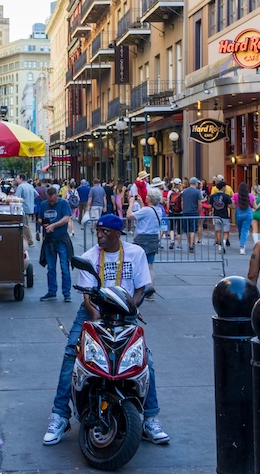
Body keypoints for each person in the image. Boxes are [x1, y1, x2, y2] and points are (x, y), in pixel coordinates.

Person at [43, 213, 168, 446]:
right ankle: (60, 414)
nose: (99, 235)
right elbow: (88, 296)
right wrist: (97, 318)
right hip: (93, 312)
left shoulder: (135, 253)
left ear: (118, 234)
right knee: (73, 352)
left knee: (144, 360)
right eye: (97, 230)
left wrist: (132, 310)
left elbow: (142, 288)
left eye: (105, 231)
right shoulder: (90, 257)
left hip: (125, 313)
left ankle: (150, 418)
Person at [39, 185, 74, 302]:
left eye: (53, 201)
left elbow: (66, 218)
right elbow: (39, 218)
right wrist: (43, 223)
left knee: (64, 267)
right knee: (51, 268)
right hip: (49, 240)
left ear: (57, 197)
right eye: (49, 201)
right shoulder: (44, 204)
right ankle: (51, 291)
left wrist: (53, 225)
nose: (51, 203)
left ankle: (66, 293)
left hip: (61, 239)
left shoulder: (63, 203)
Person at [131, 186, 163, 298]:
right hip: (153, 238)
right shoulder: (158, 210)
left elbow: (130, 216)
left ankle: (138, 289)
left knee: (138, 265)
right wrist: (141, 203)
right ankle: (151, 291)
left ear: (149, 198)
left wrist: (131, 203)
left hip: (142, 239)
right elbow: (148, 214)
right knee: (150, 266)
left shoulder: (145, 210)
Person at [179, 177, 204, 251]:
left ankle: (189, 242)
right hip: (193, 212)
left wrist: (183, 210)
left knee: (187, 229)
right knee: (192, 229)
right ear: (196, 183)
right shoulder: (197, 192)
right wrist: (199, 212)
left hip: (185, 212)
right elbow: (200, 204)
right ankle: (191, 244)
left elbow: (182, 202)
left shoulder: (184, 191)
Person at [15, 173, 38, 245]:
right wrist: (30, 200)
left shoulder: (20, 186)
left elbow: (16, 197)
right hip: (30, 207)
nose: (16, 179)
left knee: (25, 225)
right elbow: (36, 194)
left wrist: (24, 200)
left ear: (21, 179)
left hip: (23, 207)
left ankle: (30, 241)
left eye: (17, 178)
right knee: (25, 223)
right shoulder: (30, 186)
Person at [233, 182, 255, 254]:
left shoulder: (236, 195)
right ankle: (242, 247)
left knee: (240, 230)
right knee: (245, 230)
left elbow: (233, 205)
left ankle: (242, 244)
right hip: (248, 213)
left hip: (238, 213)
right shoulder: (250, 196)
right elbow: (254, 206)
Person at [210, 182, 233, 250]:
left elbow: (210, 206)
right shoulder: (226, 196)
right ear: (223, 187)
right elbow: (230, 206)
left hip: (216, 215)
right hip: (224, 215)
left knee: (218, 231)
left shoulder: (213, 196)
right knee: (226, 232)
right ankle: (224, 242)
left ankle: (220, 246)